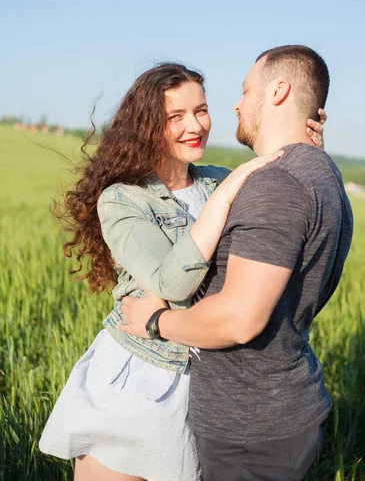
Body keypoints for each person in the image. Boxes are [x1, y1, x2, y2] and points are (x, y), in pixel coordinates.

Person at [39, 62, 325, 481]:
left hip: (204, 387)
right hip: (137, 376)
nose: (195, 125)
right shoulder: (123, 200)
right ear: (146, 126)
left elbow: (288, 200)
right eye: (175, 116)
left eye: (201, 110)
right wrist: (227, 195)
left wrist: (310, 149)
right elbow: (171, 282)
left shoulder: (217, 181)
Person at [120, 46, 354, 481]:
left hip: (251, 423)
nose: (237, 103)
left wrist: (156, 321)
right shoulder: (322, 171)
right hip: (276, 409)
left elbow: (239, 320)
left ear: (278, 91)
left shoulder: (277, 185)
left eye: (247, 90)